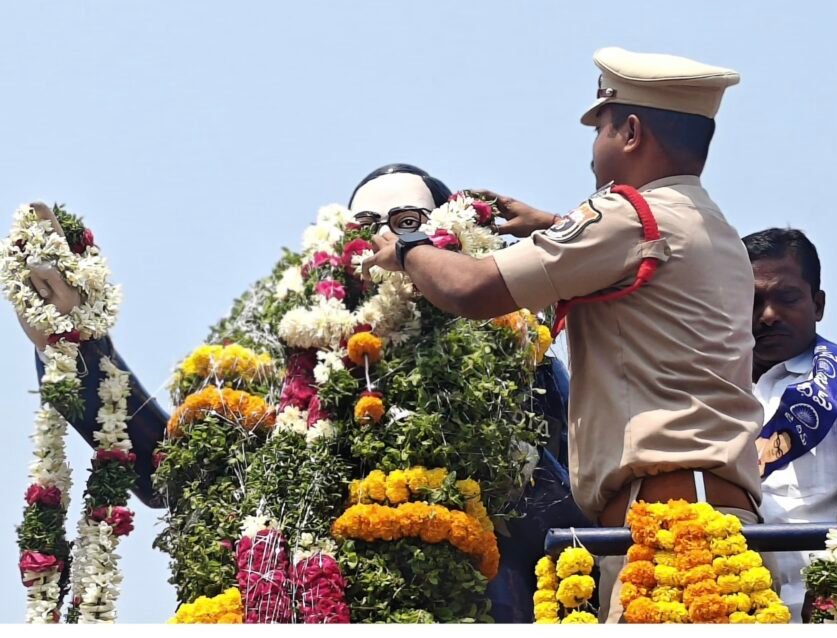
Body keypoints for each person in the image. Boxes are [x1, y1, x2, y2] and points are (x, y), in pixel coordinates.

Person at [13, 164, 585, 621]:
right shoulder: (287, 378)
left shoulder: (513, 359)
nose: (386, 240)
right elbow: (168, 468)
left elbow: (574, 494)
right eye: (366, 228)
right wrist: (79, 347)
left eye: (407, 221)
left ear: (449, 238)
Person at [363, 46, 764, 622]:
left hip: (672, 528)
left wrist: (408, 246)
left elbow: (473, 290)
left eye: (599, 126)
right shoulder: (706, 224)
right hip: (697, 516)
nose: (593, 147)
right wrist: (554, 226)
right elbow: (642, 266)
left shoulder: (627, 214)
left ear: (630, 131)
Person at [743, 228, 837, 622]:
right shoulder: (710, 389)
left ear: (818, 304)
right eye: (752, 302)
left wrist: (829, 592)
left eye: (786, 298)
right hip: (729, 603)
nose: (768, 315)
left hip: (829, 602)